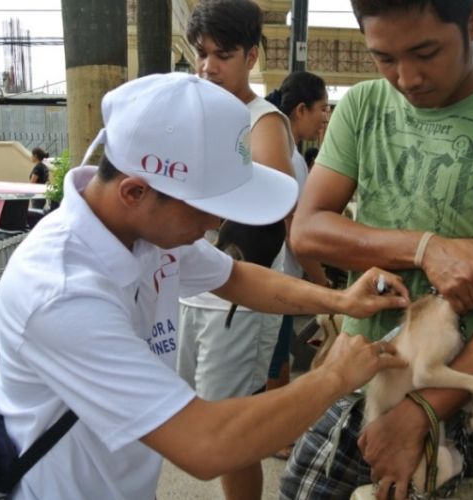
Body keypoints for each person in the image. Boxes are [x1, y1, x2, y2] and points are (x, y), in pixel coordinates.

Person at [0, 72, 411, 500]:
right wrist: (336, 376)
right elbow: (206, 444)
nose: (216, 223)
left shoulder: (142, 233)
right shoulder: (62, 293)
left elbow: (235, 276)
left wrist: (341, 300)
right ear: (135, 192)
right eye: (205, 210)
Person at [279, 1, 473, 499]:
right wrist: (426, 248)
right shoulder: (364, 107)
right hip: (359, 375)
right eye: (384, 58)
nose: (406, 78)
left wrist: (421, 412)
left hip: (452, 401)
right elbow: (308, 232)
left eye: (425, 52)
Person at [176, 2, 297, 498]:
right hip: (188, 291)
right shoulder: (192, 110)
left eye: (222, 55)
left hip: (237, 300)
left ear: (251, 56)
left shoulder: (261, 120)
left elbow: (268, 212)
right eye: (202, 54)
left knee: (231, 434)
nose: (208, 66)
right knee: (192, 415)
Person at [264, 71, 331, 459]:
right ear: (301, 109)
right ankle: (276, 436)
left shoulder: (280, 146)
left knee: (279, 355)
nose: (325, 118)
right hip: (278, 273)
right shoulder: (289, 156)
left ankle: (283, 429)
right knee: (274, 360)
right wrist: (323, 283)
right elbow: (297, 231)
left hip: (276, 271)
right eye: (322, 109)